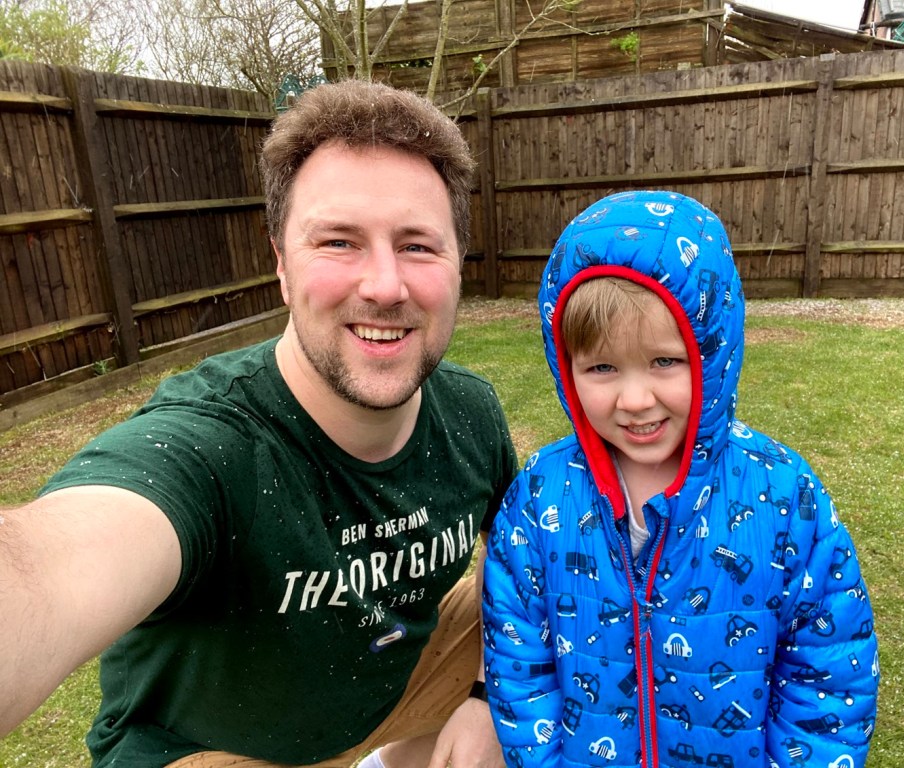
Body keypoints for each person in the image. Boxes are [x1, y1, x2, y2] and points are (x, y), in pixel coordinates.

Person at [0, 79, 518, 768]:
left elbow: (529, 566)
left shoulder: (472, 413)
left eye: (418, 246)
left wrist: (486, 695)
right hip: (213, 751)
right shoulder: (209, 445)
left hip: (394, 690)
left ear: (458, 264)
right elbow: (48, 568)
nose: (385, 286)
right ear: (281, 264)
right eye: (339, 241)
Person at [481, 190, 879, 767]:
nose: (635, 399)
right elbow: (519, 666)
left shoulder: (784, 496)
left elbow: (828, 674)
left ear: (712, 351)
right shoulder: (540, 497)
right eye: (602, 367)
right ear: (565, 368)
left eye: (664, 361)